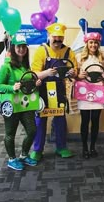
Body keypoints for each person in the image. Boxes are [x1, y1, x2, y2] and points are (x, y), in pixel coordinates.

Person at [30, 23, 78, 161]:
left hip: (59, 91)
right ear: (49, 36)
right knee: (40, 121)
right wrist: (46, 72)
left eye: (60, 38)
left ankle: (61, 147)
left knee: (60, 120)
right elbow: (34, 74)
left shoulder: (69, 52)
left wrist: (72, 72)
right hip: (43, 91)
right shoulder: (41, 51)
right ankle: (38, 149)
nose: (57, 40)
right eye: (54, 37)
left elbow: (74, 72)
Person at [0, 34, 41, 170]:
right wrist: (11, 87)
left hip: (25, 104)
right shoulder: (7, 66)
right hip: (11, 105)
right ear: (14, 47)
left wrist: (36, 83)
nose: (22, 49)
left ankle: (24, 155)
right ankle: (11, 159)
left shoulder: (26, 66)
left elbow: (27, 83)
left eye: (24, 46)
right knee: (10, 134)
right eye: (19, 46)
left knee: (32, 130)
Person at [77, 32, 104, 159]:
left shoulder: (103, 59)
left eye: (95, 42)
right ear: (87, 44)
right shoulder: (79, 57)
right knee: (85, 121)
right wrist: (79, 76)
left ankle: (93, 146)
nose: (93, 45)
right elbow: (74, 76)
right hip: (84, 92)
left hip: (98, 93)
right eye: (91, 42)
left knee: (95, 120)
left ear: (98, 44)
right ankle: (84, 147)